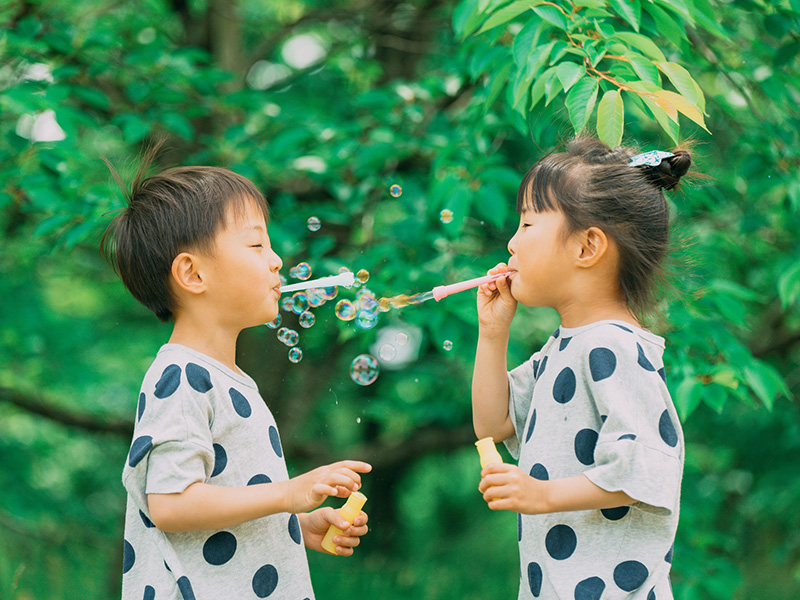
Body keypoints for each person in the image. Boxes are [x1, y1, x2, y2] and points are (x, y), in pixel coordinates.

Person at [101, 146, 372, 600]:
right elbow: (172, 503)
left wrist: (291, 526)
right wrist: (288, 495)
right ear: (192, 273)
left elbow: (219, 501)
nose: (276, 261)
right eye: (256, 244)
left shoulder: (223, 378)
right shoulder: (182, 375)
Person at [472, 137, 690, 599]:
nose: (511, 242)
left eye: (528, 223)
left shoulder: (613, 345)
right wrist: (492, 334)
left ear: (588, 246)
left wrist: (542, 495)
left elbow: (645, 468)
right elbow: (493, 423)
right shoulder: (566, 347)